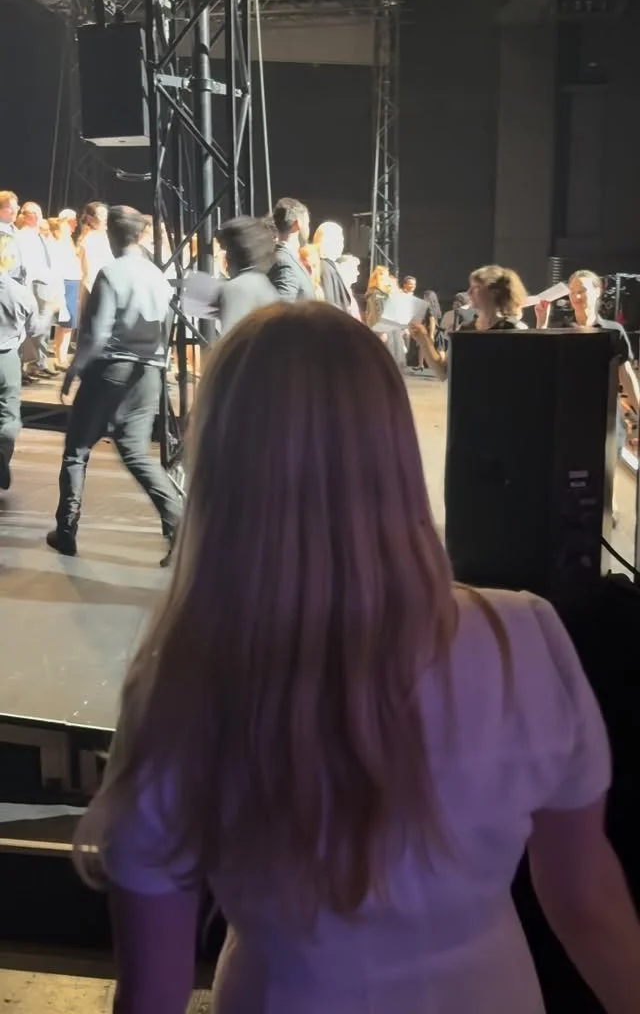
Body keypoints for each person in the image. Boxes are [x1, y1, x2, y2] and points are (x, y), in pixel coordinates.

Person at [74, 303, 640, 1014]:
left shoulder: (181, 684)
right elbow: (586, 902)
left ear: (221, 462)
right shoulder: (524, 639)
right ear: (393, 447)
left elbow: (153, 993)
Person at [46, 206, 182, 566]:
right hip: (149, 372)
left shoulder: (110, 273)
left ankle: (66, 530)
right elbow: (165, 329)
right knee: (136, 453)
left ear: (111, 235)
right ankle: (179, 522)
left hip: (111, 370)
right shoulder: (157, 276)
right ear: (139, 235)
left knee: (77, 451)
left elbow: (98, 333)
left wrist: (75, 369)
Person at [536, 270, 639, 515]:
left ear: (597, 290)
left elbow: (626, 374)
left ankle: (607, 509)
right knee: (570, 471)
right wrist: (541, 323)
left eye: (582, 290)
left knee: (606, 469)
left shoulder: (612, 331)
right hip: (569, 413)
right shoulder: (562, 329)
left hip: (605, 413)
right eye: (572, 292)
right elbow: (540, 362)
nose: (577, 297)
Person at [411, 265, 528, 381]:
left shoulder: (514, 330)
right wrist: (423, 339)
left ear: (494, 292)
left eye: (476, 287)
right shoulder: (466, 329)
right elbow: (443, 372)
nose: (469, 292)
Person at [0, 235, 47, 490]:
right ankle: (2, 452)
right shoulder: (19, 292)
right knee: (8, 414)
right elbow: (34, 328)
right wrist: (50, 310)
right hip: (6, 357)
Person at [205, 216, 278, 334]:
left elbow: (232, 338)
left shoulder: (237, 288)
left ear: (233, 254)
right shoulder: (262, 283)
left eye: (227, 250)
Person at [17, 202, 58, 377]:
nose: (39, 215)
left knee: (44, 325)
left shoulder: (39, 235)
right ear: (26, 216)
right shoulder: (22, 235)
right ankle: (26, 364)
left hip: (44, 282)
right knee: (32, 324)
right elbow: (26, 263)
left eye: (39, 212)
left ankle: (37, 363)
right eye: (34, 213)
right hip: (33, 283)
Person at [48, 216, 82, 370]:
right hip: (65, 282)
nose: (71, 228)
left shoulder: (69, 243)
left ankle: (60, 356)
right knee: (66, 323)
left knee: (68, 324)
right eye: (67, 225)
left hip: (72, 282)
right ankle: (60, 357)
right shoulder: (56, 244)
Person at [268, 197, 315, 302]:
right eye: (307, 223)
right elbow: (283, 308)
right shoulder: (285, 263)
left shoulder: (283, 257)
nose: (308, 229)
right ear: (297, 224)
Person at [77, 201, 114, 303]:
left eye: (106, 215)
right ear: (90, 219)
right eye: (101, 215)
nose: (106, 219)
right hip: (95, 291)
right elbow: (89, 273)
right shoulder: (90, 240)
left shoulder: (105, 237)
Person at [314, 221, 353, 312]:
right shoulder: (325, 268)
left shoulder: (327, 266)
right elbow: (329, 304)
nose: (342, 245)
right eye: (339, 240)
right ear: (328, 242)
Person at [0, 190, 26, 284]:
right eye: (10, 208)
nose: (14, 211)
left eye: (16, 207)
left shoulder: (17, 232)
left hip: (18, 282)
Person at [335, 251, 362, 320]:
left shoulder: (347, 290)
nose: (358, 273)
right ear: (344, 268)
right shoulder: (338, 290)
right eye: (355, 269)